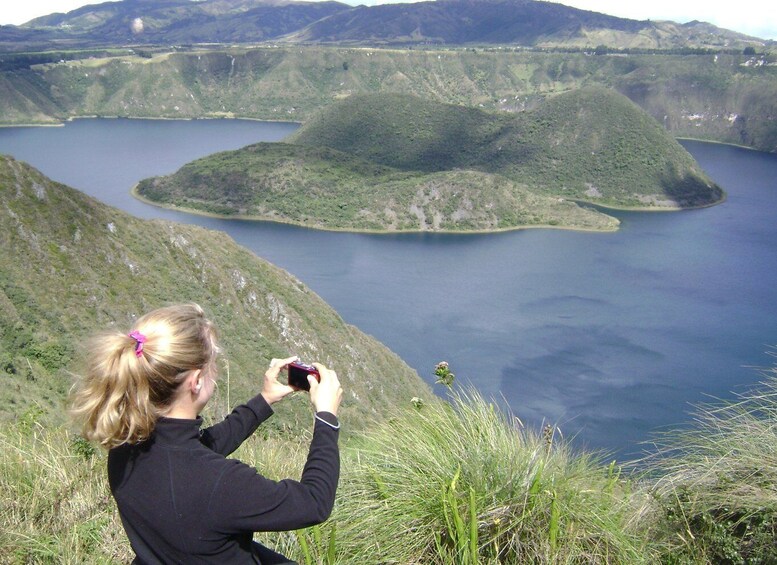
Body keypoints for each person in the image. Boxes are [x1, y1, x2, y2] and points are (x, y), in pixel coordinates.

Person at [70, 303, 343, 564]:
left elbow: (197, 450)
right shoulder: (221, 483)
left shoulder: (125, 446)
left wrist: (264, 400)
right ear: (197, 381)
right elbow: (313, 503)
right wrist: (326, 417)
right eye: (214, 364)